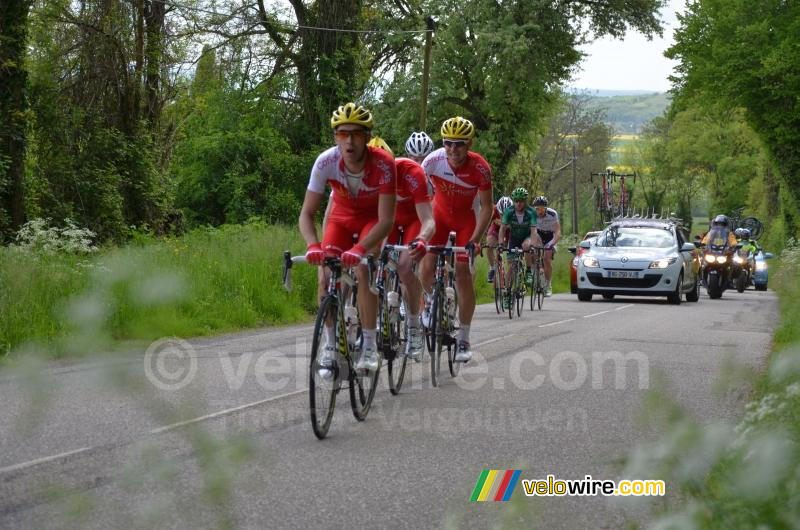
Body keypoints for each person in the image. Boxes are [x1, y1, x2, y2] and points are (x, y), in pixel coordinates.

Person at [299, 103, 396, 379]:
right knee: (326, 274)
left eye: (356, 134)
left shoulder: (385, 165)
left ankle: (368, 344)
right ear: (335, 137)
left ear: (367, 136)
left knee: (363, 268)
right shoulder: (325, 162)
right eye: (343, 134)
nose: (349, 141)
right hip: (341, 219)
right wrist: (313, 245)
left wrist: (361, 249)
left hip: (372, 220)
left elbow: (386, 220)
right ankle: (331, 346)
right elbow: (306, 214)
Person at [419, 116, 493, 363]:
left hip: (465, 221)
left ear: (470, 143)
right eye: (448, 143)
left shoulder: (480, 168)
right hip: (438, 217)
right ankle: (431, 302)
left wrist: (475, 238)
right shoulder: (432, 161)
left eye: (459, 144)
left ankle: (464, 338)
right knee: (425, 267)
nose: (453, 149)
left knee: (462, 270)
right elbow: (418, 195)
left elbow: (486, 207)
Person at [371, 135, 435, 361]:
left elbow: (428, 217)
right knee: (370, 262)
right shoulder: (367, 175)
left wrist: (421, 239)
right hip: (387, 220)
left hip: (412, 220)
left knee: (406, 268)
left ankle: (414, 326)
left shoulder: (412, 172)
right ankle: (373, 321)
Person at [498, 188, 539, 289]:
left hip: (527, 236)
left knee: (526, 246)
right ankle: (507, 293)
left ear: (525, 201)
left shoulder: (531, 212)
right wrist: (500, 244)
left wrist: (533, 245)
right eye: (516, 201)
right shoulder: (509, 211)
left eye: (521, 201)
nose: (518, 203)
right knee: (511, 267)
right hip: (514, 238)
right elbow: (502, 229)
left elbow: (534, 230)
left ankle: (528, 271)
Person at [532, 196, 561, 297]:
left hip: (550, 236)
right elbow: (531, 230)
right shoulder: (532, 214)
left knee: (546, 258)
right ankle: (537, 281)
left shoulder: (553, 214)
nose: (539, 211)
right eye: (537, 208)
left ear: (546, 208)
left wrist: (551, 243)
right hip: (539, 234)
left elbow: (558, 232)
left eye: (542, 208)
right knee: (534, 254)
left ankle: (548, 285)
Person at [486, 196, 513, 283]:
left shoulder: (515, 212)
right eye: (501, 214)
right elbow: (486, 222)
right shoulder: (493, 210)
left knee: (502, 248)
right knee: (489, 245)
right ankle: (492, 268)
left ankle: (504, 271)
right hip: (496, 229)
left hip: (508, 232)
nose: (503, 217)